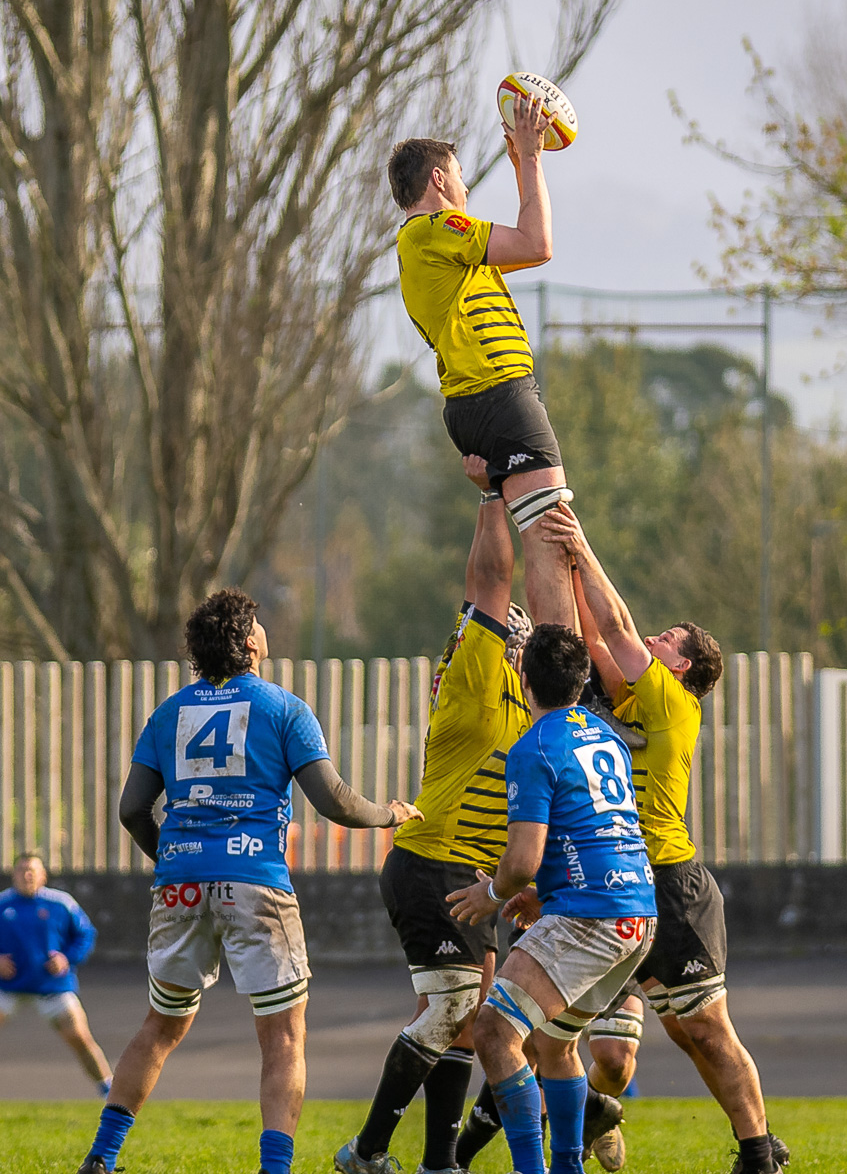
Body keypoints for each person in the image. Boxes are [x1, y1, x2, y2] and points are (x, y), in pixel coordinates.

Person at [338, 458, 624, 1174]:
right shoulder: (473, 676)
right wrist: (497, 492)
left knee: (469, 1026)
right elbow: (489, 583)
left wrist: (570, 546)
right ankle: (368, 1151)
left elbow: (561, 630)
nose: (518, 635)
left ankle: (441, 1162)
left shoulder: (538, 705)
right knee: (452, 1012)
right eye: (510, 633)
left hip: (480, 876)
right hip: (431, 862)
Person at [75, 589, 423, 1174]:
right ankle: (274, 1169)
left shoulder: (168, 713)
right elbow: (333, 801)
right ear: (249, 642)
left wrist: (175, 858)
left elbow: (132, 808)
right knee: (284, 1036)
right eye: (256, 624)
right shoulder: (284, 709)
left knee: (159, 1026)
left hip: (179, 884)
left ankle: (101, 1159)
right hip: (255, 882)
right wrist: (391, 814)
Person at [538, 503, 787, 1174]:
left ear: (682, 669)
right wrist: (563, 564)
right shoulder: (626, 700)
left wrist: (582, 547)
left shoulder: (675, 705)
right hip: (615, 890)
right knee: (646, 1041)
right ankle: (594, 1110)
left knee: (706, 1027)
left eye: (665, 640)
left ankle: (760, 1150)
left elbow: (614, 628)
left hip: (673, 888)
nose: (650, 640)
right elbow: (595, 640)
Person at [444, 623, 656, 1174]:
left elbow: (519, 861)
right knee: (555, 1043)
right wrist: (547, 892)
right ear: (583, 678)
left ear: (521, 675)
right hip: (637, 912)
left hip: (592, 916)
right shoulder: (606, 735)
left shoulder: (533, 746)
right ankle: (567, 1166)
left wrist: (492, 893)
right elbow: (595, 830)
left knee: (493, 1030)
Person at [390, 93, 577, 629]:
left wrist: (522, 162)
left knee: (530, 530)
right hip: (500, 395)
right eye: (461, 177)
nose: (467, 189)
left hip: (469, 404)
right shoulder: (435, 232)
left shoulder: (431, 250)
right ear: (438, 181)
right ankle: (562, 689)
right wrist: (533, 158)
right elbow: (537, 243)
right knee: (553, 535)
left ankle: (549, 672)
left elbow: (518, 246)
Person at [0, 852, 112, 1103]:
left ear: (43, 875)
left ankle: (108, 1089)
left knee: (81, 1038)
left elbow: (85, 935)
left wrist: (67, 958)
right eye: (22, 871)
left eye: (32, 871)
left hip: (52, 987)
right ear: (14, 875)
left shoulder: (62, 904)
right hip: (6, 987)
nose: (27, 876)